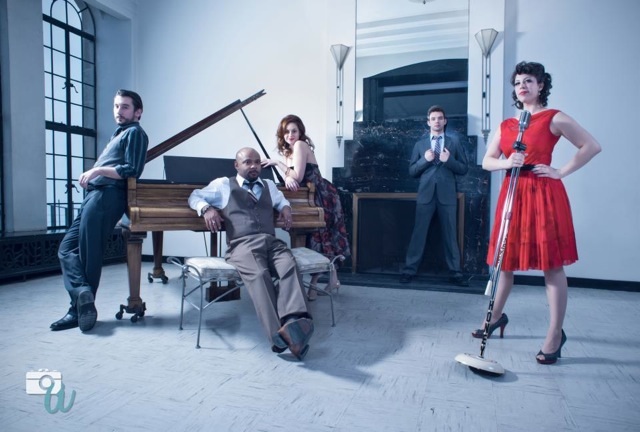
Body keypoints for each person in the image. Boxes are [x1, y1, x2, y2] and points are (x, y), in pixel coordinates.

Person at [472, 61, 601, 364]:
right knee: (504, 262)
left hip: (543, 194)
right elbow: (488, 161)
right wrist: (507, 163)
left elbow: (591, 146)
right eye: (518, 82)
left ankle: (555, 334)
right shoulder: (506, 125)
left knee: (551, 265)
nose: (522, 86)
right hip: (513, 194)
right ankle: (495, 317)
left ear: (541, 85)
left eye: (529, 81)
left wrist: (560, 171)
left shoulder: (553, 118)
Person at [188, 147, 314, 360]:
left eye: (257, 162)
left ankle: (294, 321)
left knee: (288, 266)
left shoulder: (269, 185)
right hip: (242, 245)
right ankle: (279, 335)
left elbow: (281, 200)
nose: (254, 166)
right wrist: (206, 209)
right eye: (248, 162)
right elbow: (195, 195)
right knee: (259, 275)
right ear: (236, 165)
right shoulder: (223, 185)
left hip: (271, 243)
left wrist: (285, 208)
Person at [51, 89, 149, 332]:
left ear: (138, 112)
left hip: (107, 196)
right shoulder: (120, 133)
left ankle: (78, 310)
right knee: (66, 248)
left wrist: (97, 171)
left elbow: (132, 169)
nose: (119, 111)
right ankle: (83, 294)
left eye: (125, 107)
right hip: (95, 196)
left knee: (89, 254)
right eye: (116, 106)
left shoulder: (135, 133)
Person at [262, 114, 351, 300]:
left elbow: (298, 177)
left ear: (300, 132)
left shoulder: (300, 145)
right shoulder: (289, 152)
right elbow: (292, 178)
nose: (290, 135)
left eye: (294, 131)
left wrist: (277, 163)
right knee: (319, 238)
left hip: (322, 194)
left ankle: (314, 286)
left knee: (320, 237)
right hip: (312, 194)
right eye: (286, 132)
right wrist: (287, 176)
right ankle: (329, 281)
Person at [400, 105, 469, 286]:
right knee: (418, 234)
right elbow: (412, 171)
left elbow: (463, 168)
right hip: (425, 195)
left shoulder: (454, 142)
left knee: (450, 235)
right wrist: (425, 160)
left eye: (440, 118)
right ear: (428, 122)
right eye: (433, 119)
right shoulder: (420, 145)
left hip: (447, 195)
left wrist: (449, 160)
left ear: (445, 121)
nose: (437, 121)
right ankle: (409, 270)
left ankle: (456, 273)